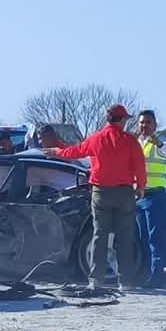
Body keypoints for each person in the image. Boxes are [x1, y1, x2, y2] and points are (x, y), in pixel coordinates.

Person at [44, 105, 146, 288]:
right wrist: (140, 187)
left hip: (101, 193)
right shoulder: (130, 141)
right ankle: (126, 281)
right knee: (125, 237)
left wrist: (57, 152)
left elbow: (75, 152)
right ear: (121, 120)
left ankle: (96, 280)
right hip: (124, 193)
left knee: (99, 235)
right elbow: (140, 167)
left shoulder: (96, 139)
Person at [136, 110, 166, 288]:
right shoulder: (137, 143)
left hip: (155, 195)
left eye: (147, 122)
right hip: (139, 195)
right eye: (141, 122)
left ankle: (157, 275)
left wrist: (160, 144)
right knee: (142, 237)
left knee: (155, 238)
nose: (144, 126)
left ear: (154, 124)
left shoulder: (161, 142)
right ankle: (146, 273)